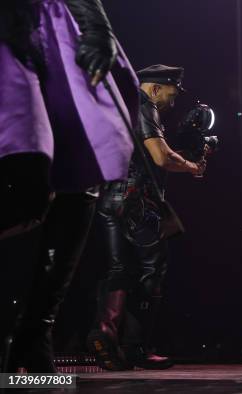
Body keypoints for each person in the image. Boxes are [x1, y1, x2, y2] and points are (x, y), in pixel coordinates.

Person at [0, 0, 138, 372]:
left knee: (82, 172)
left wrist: (96, 25)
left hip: (51, 23)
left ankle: (33, 334)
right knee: (26, 177)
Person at [87, 64, 206, 371]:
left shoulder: (120, 104)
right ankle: (136, 347)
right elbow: (161, 156)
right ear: (155, 89)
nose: (173, 101)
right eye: (172, 93)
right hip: (138, 201)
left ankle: (106, 333)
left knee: (119, 267)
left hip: (109, 195)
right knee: (152, 269)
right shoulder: (145, 106)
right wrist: (193, 167)